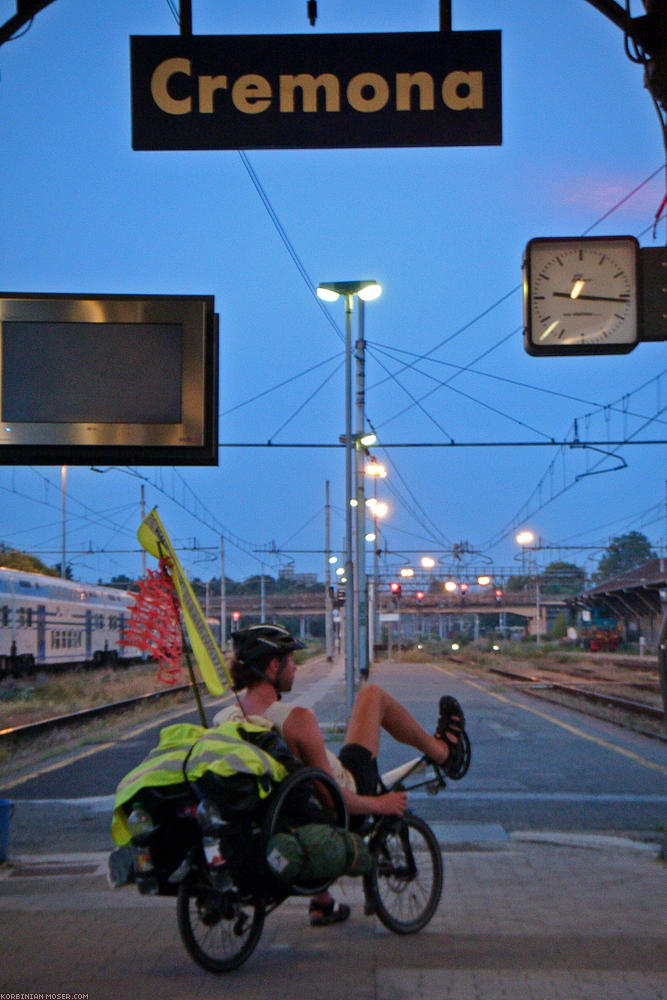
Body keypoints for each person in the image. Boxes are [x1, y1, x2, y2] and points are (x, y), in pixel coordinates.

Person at [214, 623, 466, 927]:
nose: (295, 667)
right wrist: (381, 805)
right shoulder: (297, 720)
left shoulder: (223, 719)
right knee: (372, 696)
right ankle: (442, 751)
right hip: (347, 795)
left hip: (284, 815)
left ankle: (322, 903)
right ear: (273, 665)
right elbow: (331, 798)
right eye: (291, 661)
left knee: (305, 788)